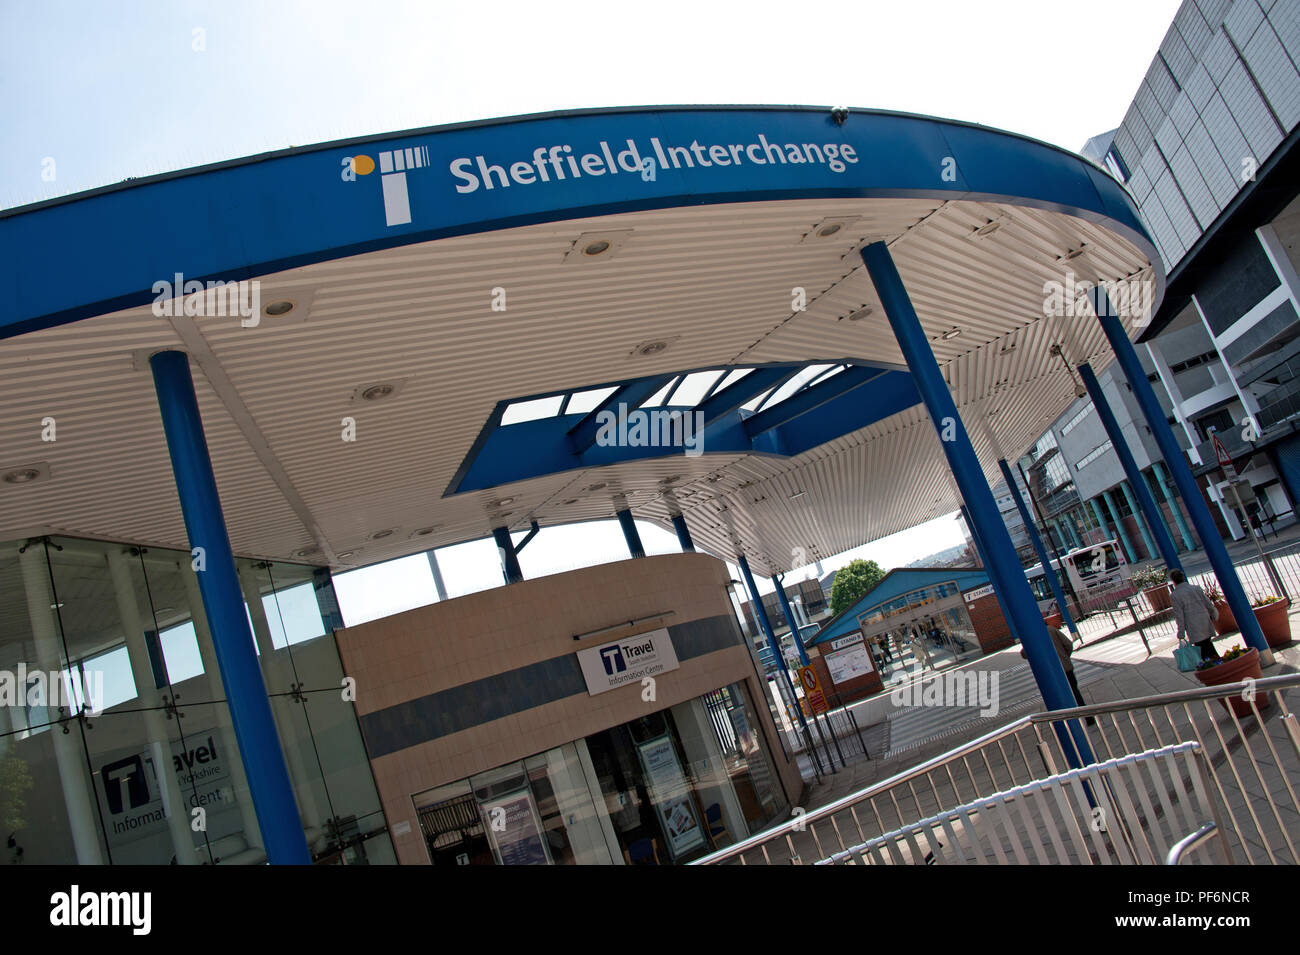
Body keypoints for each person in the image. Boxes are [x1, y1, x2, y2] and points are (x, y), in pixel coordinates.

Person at [1021, 625, 1094, 724]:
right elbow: (1068, 644)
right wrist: (1065, 657)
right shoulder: (1052, 630)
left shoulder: (1030, 636)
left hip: (1049, 673)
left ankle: (1069, 721)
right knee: (1075, 692)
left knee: (1059, 697)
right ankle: (1088, 717)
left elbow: (1024, 654)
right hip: (1065, 667)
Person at [1169, 569, 1220, 663]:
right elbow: (1207, 603)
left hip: (1192, 623)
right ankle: (1217, 662)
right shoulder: (1196, 588)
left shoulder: (1175, 595)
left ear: (1173, 581)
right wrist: (1214, 613)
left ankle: (1211, 666)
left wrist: (1181, 632)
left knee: (1201, 647)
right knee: (1208, 643)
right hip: (1204, 619)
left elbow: (1179, 615)